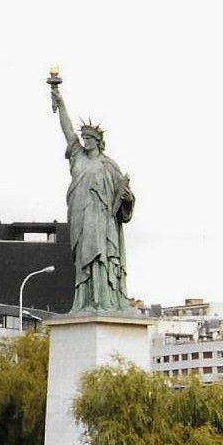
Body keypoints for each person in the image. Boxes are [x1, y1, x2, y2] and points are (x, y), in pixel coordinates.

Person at [50, 85, 134, 313]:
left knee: (100, 255)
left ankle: (103, 299)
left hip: (101, 220)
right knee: (82, 259)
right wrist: (61, 103)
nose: (86, 141)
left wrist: (127, 198)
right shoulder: (77, 157)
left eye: (90, 138)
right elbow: (68, 131)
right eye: (84, 137)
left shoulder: (109, 165)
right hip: (80, 215)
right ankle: (85, 300)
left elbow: (125, 199)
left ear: (98, 141)